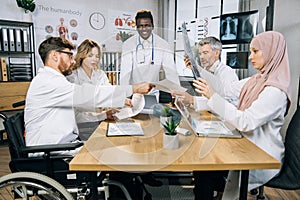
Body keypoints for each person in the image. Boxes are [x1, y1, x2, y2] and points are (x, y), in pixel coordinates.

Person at [192, 31, 291, 199]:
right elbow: (225, 90)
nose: (251, 56)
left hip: (262, 155)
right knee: (203, 167)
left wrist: (212, 95)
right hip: (247, 143)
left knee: (205, 171)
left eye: (255, 51)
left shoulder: (275, 91)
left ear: (271, 52)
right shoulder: (256, 79)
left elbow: (246, 121)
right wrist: (197, 71)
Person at [24, 36, 153, 156]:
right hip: (51, 152)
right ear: (55, 56)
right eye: (69, 56)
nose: (73, 60)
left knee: (116, 148)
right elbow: (90, 95)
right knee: (115, 151)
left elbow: (96, 94)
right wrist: (134, 88)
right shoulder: (49, 82)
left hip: (64, 145)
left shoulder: (53, 80)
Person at [120, 9, 180, 101]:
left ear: (153, 26)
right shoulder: (128, 45)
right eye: (140, 26)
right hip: (134, 93)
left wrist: (177, 96)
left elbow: (171, 72)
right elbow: (125, 73)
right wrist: (124, 97)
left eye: (147, 25)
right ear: (136, 27)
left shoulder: (163, 44)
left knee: (153, 113)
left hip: (154, 92)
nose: (144, 29)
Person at [174, 36, 239, 109]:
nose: (201, 57)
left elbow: (227, 103)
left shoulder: (227, 73)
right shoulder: (203, 72)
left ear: (217, 53)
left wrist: (192, 100)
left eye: (205, 53)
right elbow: (207, 101)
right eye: (200, 53)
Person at [67, 39, 115, 124]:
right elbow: (75, 115)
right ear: (82, 56)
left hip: (102, 121)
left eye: (97, 56)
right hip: (82, 126)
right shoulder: (72, 78)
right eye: (90, 55)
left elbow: (109, 94)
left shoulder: (100, 74)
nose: (95, 59)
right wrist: (102, 115)